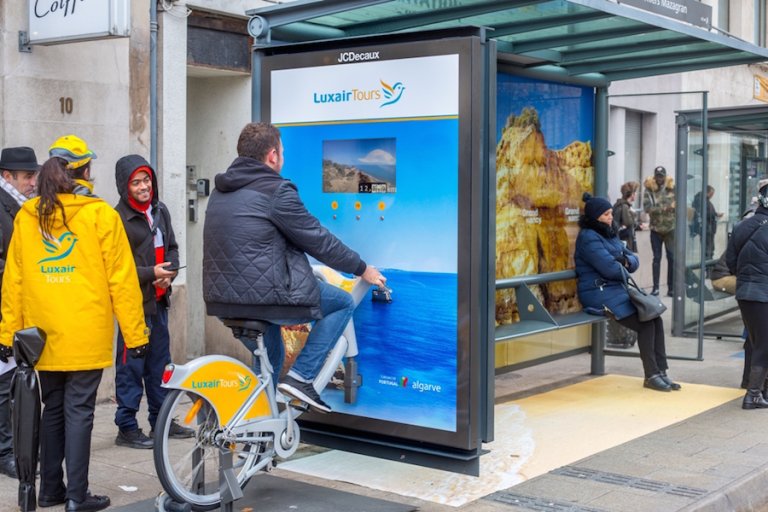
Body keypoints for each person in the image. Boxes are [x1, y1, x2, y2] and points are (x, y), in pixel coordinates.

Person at [203, 122, 386, 414]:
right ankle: (301, 379)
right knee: (340, 303)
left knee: (270, 361)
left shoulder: (221, 191)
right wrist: (361, 268)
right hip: (264, 296)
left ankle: (258, 435)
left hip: (223, 299)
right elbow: (317, 239)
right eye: (283, 152)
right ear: (273, 155)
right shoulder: (275, 190)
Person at [0, 154, 148, 511]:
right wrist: (136, 334)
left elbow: (14, 281)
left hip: (42, 334)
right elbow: (122, 279)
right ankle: (76, 496)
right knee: (79, 410)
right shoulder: (100, 216)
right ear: (79, 179)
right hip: (85, 330)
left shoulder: (27, 218)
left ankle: (51, 489)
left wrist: (8, 335)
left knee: (52, 408)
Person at [112, 155, 193, 449]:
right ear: (125, 186)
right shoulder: (116, 218)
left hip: (159, 301)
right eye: (136, 182)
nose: (144, 187)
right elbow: (116, 268)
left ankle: (161, 421)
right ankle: (127, 427)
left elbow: (172, 248)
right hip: (133, 305)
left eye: (146, 180)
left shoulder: (161, 211)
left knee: (160, 364)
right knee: (131, 367)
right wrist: (150, 274)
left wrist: (169, 272)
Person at [575, 192, 679, 392]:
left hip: (615, 289)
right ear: (595, 217)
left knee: (654, 318)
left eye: (609, 213)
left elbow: (633, 259)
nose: (610, 217)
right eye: (606, 214)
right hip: (598, 292)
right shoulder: (588, 237)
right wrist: (623, 261)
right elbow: (610, 269)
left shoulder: (609, 233)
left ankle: (662, 371)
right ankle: (652, 375)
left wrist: (624, 261)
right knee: (645, 323)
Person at [0, 146, 40, 478]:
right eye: (28, 176)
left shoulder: (25, 207)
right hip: (4, 305)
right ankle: (5, 451)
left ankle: (13, 446)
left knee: (12, 381)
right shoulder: (5, 207)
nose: (33, 182)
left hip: (19, 306)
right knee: (3, 381)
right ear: (7, 176)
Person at [726, 178, 768, 409]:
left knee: (756, 341)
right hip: (763, 293)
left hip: (745, 293)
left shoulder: (742, 225)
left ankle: (760, 390)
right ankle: (753, 395)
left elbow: (730, 262)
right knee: (764, 344)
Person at [643, 165, 675, 297]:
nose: (659, 179)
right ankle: (656, 288)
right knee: (656, 259)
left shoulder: (673, 188)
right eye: (657, 176)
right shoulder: (649, 190)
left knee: (672, 258)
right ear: (655, 177)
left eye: (662, 176)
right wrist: (663, 209)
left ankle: (671, 288)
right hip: (656, 229)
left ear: (665, 176)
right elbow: (647, 208)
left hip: (670, 229)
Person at [691, 185, 723, 262]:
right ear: (707, 192)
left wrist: (715, 214)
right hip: (706, 229)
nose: (712, 196)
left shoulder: (705, 201)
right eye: (711, 193)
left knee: (709, 250)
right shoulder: (701, 201)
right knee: (708, 251)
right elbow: (704, 213)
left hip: (709, 229)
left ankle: (708, 267)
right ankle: (708, 268)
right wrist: (714, 215)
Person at [613, 181, 640, 252]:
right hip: (624, 242)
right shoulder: (624, 207)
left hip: (623, 240)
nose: (636, 194)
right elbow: (629, 222)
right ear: (632, 194)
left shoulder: (623, 205)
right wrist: (634, 214)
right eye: (635, 192)